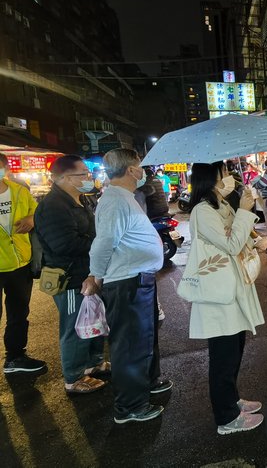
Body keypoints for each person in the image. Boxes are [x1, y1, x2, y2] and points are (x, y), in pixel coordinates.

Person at [83, 148, 171, 424]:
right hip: (127, 282)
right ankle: (130, 406)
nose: (141, 170)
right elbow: (103, 244)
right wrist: (95, 276)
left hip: (137, 279)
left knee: (143, 339)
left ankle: (146, 384)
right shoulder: (115, 201)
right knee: (130, 345)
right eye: (139, 165)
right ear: (131, 170)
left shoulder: (123, 197)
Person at [186, 163, 265, 435]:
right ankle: (226, 417)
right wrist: (243, 210)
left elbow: (238, 237)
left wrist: (251, 231)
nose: (229, 179)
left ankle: (232, 399)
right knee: (223, 357)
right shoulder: (202, 211)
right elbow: (229, 244)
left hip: (233, 289)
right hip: (218, 295)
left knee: (235, 350)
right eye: (223, 175)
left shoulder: (220, 205)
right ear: (211, 179)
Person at [33, 155, 107, 393]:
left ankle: (92, 364)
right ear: (63, 178)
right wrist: (99, 242)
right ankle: (73, 378)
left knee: (93, 320)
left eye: (87, 173)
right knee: (75, 326)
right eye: (82, 174)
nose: (88, 177)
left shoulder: (80, 200)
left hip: (88, 272)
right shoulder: (53, 206)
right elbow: (64, 244)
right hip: (70, 277)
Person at [0, 153, 45, 374]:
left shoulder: (19, 191)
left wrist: (31, 219)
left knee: (18, 313)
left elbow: (39, 214)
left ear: (6, 169)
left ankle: (15, 357)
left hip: (20, 263)